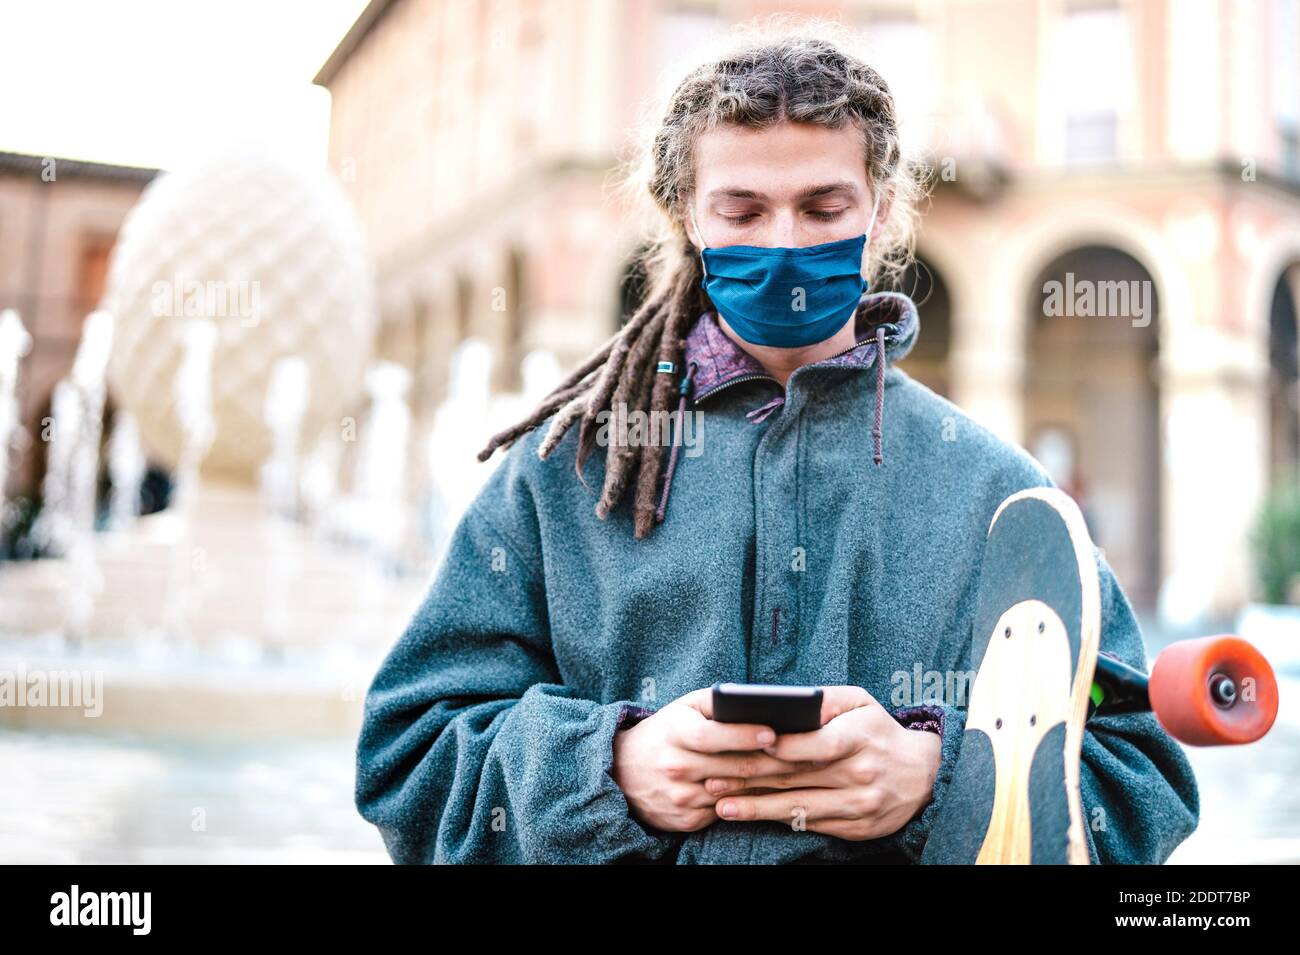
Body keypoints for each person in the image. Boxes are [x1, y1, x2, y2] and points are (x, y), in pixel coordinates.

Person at [354, 25, 1198, 865]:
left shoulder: (1001, 496)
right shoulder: (564, 473)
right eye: (743, 210)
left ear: (882, 209)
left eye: (824, 207)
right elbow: (408, 759)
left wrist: (940, 783)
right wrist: (608, 770)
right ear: (686, 213)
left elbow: (1141, 776)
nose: (786, 243)